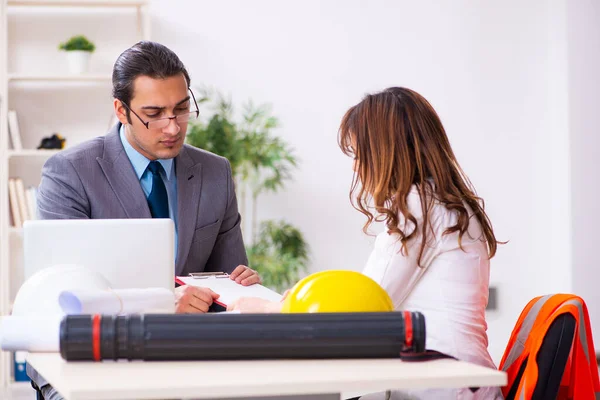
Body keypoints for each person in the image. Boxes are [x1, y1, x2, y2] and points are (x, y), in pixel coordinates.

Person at [228, 87, 503, 399]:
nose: (357, 167)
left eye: (359, 155)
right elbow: (365, 293)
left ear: (387, 151)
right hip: (451, 380)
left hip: (444, 386)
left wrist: (269, 309)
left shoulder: (418, 204)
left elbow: (366, 308)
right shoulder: (441, 202)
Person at [30, 41, 259, 399]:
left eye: (182, 110)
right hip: (91, 360)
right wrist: (163, 303)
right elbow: (63, 297)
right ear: (121, 110)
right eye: (154, 113)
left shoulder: (215, 173)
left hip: (186, 360)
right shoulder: (70, 172)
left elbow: (224, 287)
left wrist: (241, 290)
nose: (172, 128)